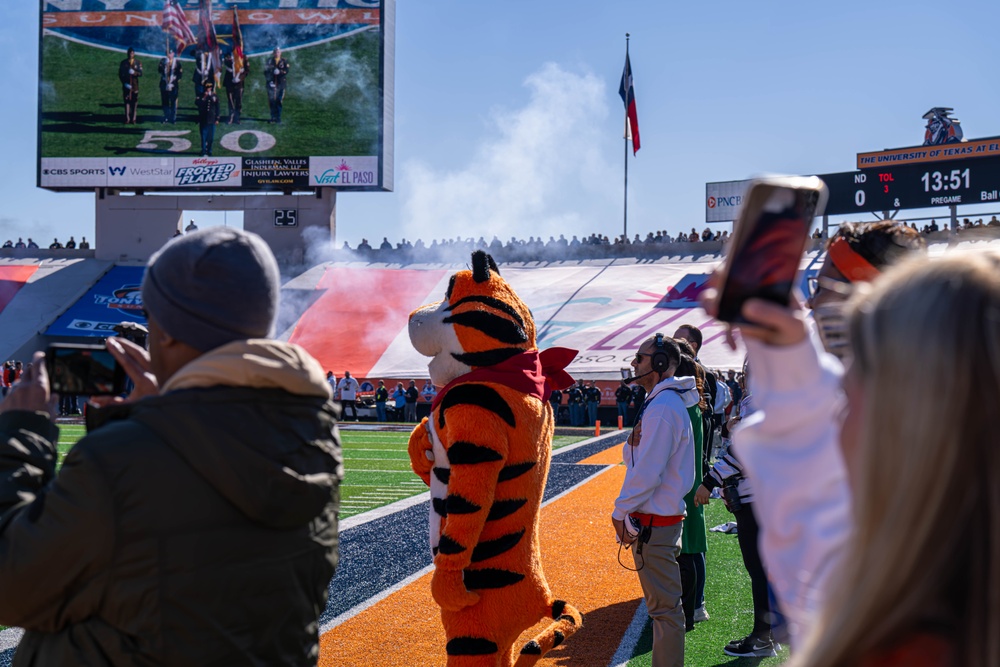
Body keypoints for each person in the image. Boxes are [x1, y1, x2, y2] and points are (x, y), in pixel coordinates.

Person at [0, 227, 342, 664]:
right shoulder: (311, 436)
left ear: (169, 331)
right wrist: (152, 419)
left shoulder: (127, 458)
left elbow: (12, 587)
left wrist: (22, 435)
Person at [706, 249, 1000, 665]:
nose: (836, 406)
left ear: (915, 411)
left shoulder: (907, 639)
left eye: (851, 379)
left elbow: (809, 546)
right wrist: (787, 354)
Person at [613, 334, 697, 667]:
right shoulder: (663, 402)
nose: (634, 363)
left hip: (655, 525)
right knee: (664, 610)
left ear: (660, 363)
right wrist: (633, 445)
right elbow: (641, 460)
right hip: (659, 522)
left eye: (640, 358)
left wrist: (620, 511)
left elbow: (648, 473)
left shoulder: (662, 406)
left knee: (665, 612)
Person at [694, 364, 778, 658]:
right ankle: (769, 633)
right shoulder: (771, 398)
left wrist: (710, 480)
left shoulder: (759, 399)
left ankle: (763, 637)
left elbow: (746, 448)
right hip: (769, 492)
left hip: (757, 495)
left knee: (759, 569)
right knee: (765, 569)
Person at [264, 46, 289, 123]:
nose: (277, 53)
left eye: (278, 52)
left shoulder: (284, 61)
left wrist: (280, 72)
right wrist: (270, 76)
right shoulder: (269, 61)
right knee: (272, 100)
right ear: (273, 53)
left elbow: (286, 70)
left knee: (279, 100)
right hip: (271, 84)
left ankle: (278, 117)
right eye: (275, 52)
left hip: (281, 84)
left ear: (280, 53)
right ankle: (273, 117)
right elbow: (265, 71)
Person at [118, 47, 143, 124]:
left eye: (132, 53)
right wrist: (124, 83)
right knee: (127, 101)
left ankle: (134, 118)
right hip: (127, 85)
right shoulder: (124, 63)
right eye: (129, 53)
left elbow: (141, 73)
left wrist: (134, 73)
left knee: (134, 102)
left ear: (134, 54)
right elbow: (120, 74)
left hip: (135, 85)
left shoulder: (138, 63)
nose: (131, 54)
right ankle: (127, 118)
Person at [223, 50, 248, 124]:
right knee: (230, 101)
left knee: (238, 101)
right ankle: (231, 116)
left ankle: (237, 117)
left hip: (239, 84)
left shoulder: (243, 58)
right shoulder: (228, 56)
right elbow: (226, 63)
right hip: (229, 83)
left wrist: (239, 78)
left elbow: (246, 70)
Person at [196, 81, 220, 157]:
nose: (208, 89)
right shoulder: (201, 95)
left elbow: (217, 108)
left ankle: (209, 150)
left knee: (211, 137)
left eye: (209, 88)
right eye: (207, 88)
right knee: (203, 136)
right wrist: (204, 97)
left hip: (212, 119)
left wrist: (217, 119)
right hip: (203, 119)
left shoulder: (214, 96)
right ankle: (203, 150)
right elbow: (197, 103)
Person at [158, 48, 182, 124]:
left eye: (170, 53)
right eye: (168, 53)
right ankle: (166, 116)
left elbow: (179, 74)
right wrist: (165, 65)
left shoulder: (177, 63)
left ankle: (173, 118)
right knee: (165, 101)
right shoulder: (163, 61)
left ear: (173, 54)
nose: (169, 55)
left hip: (173, 85)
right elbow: (159, 70)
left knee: (173, 101)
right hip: (164, 83)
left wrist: (173, 83)